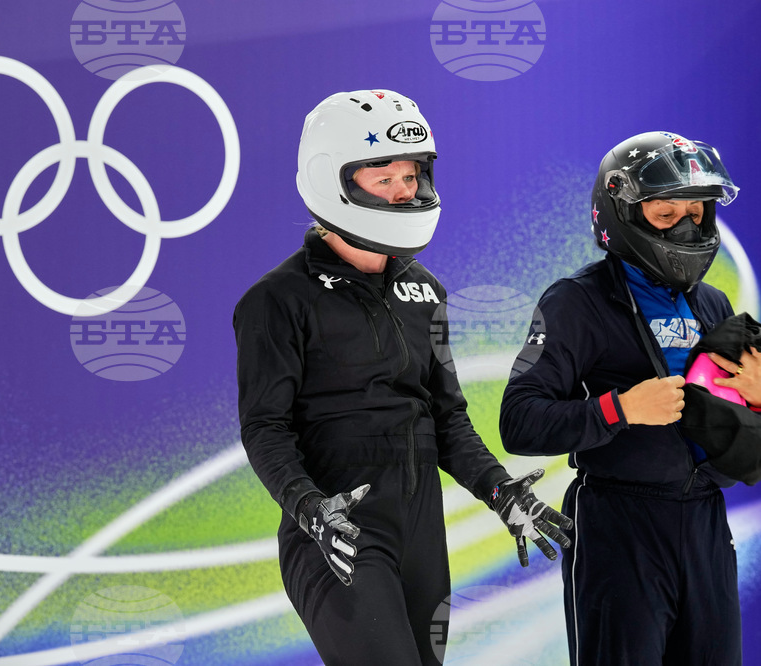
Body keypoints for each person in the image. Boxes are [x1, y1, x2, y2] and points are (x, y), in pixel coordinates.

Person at [233, 89, 572, 666]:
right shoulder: (276, 300)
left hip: (421, 533)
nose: (402, 190)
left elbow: (447, 418)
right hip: (335, 536)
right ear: (332, 180)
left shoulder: (427, 293)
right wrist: (310, 508)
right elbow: (265, 428)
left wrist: (501, 492)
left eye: (410, 175)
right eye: (382, 176)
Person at [499, 131, 761, 665]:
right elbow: (519, 421)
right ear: (620, 214)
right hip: (618, 525)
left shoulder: (713, 304)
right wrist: (622, 409)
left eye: (696, 213)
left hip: (704, 525)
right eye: (664, 213)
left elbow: (751, 435)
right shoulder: (576, 301)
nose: (685, 226)